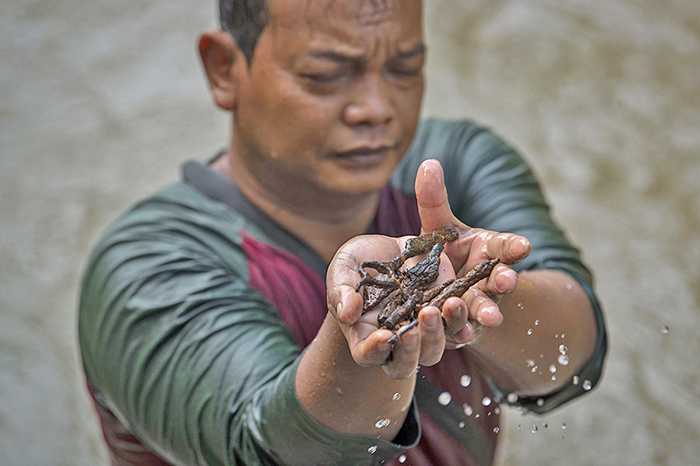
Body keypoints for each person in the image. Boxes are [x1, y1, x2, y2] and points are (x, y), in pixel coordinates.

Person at [78, 0, 607, 465]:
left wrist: (482, 295)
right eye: (325, 75)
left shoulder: (455, 167)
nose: (376, 108)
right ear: (224, 69)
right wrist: (362, 329)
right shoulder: (144, 269)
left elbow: (575, 362)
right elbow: (263, 449)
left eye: (404, 69)